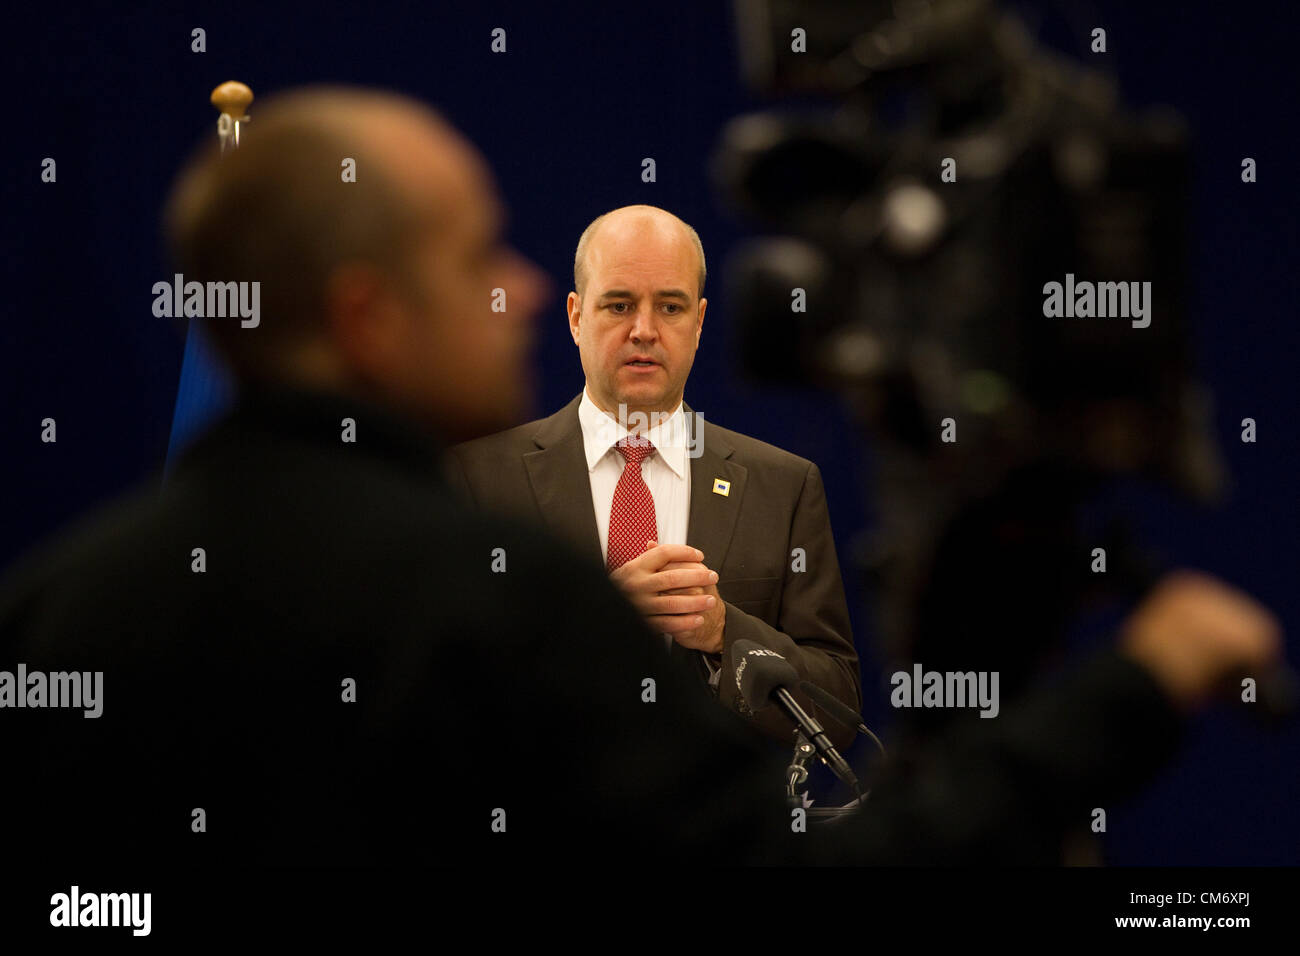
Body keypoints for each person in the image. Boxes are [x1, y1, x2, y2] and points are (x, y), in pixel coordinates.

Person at [0, 86, 1281, 867]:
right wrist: (1133, 689)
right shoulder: (496, 591)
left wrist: (734, 633)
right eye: (472, 258)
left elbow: (835, 711)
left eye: (672, 304)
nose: (505, 289)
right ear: (369, 316)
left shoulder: (52, 613)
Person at [448, 205, 861, 746]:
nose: (644, 331)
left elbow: (838, 711)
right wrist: (595, 624)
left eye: (670, 306)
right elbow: (438, 696)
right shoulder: (474, 480)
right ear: (575, 317)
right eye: (619, 305)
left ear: (699, 323)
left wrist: (722, 633)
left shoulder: (783, 487)